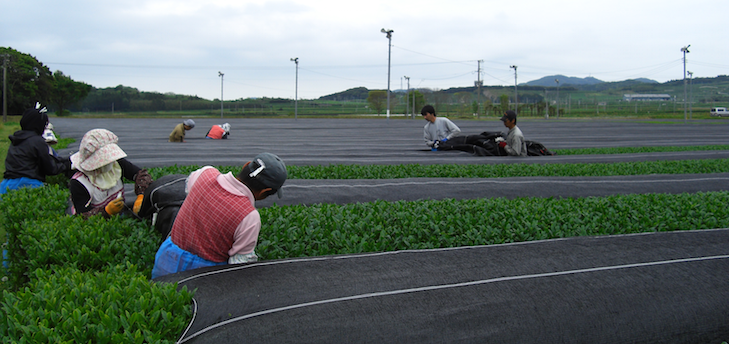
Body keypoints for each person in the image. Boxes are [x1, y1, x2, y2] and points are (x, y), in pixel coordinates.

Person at [151, 152, 287, 279]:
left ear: (246, 165)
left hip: (167, 260)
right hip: (204, 275)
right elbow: (239, 263)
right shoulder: (249, 217)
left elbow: (189, 189)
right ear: (265, 191)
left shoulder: (205, 173)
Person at [68, 129, 153, 218]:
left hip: (120, 214)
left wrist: (141, 195)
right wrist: (106, 211)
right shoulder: (79, 183)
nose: (109, 163)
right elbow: (82, 215)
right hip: (98, 225)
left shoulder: (116, 164)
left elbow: (141, 174)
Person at [1, 104, 70, 195]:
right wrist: (67, 165)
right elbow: (50, 168)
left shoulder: (16, 139)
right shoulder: (38, 141)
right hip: (28, 184)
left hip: (7, 185)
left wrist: (61, 160)